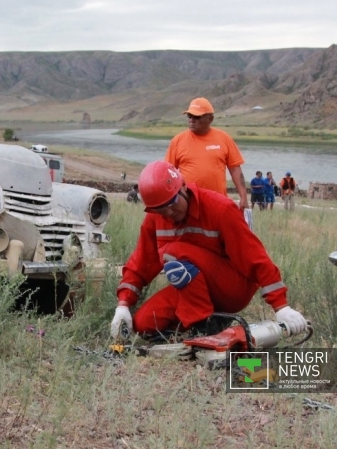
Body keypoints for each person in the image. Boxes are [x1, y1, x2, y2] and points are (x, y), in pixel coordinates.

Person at [109, 160, 308, 339]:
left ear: (183, 187)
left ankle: (203, 326)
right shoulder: (155, 218)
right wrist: (123, 305)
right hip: (195, 289)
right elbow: (141, 262)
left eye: (171, 203)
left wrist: (281, 307)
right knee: (144, 324)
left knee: (175, 251)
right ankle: (212, 322)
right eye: (160, 209)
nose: (168, 213)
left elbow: (254, 257)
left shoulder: (220, 209)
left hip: (232, 288)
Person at [165, 98, 248, 210]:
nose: (191, 120)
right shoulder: (177, 141)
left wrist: (243, 197)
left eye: (197, 117)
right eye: (189, 116)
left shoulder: (224, 139)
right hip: (189, 204)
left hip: (218, 203)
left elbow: (235, 169)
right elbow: (168, 173)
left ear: (210, 119)